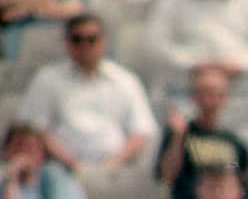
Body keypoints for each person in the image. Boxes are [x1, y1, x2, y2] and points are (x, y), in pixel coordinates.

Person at [19, 12, 157, 174]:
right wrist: (71, 163)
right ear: (67, 42)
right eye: (77, 39)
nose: (85, 46)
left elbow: (141, 131)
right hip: (61, 168)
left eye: (92, 39)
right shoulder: (47, 79)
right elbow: (36, 128)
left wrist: (112, 164)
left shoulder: (126, 80)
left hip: (115, 168)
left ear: (103, 42)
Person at [157, 65, 248, 199]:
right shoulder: (180, 134)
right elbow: (168, 176)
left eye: (216, 94)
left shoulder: (232, 140)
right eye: (204, 93)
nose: (209, 100)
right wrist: (178, 137)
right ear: (194, 97)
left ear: (225, 98)